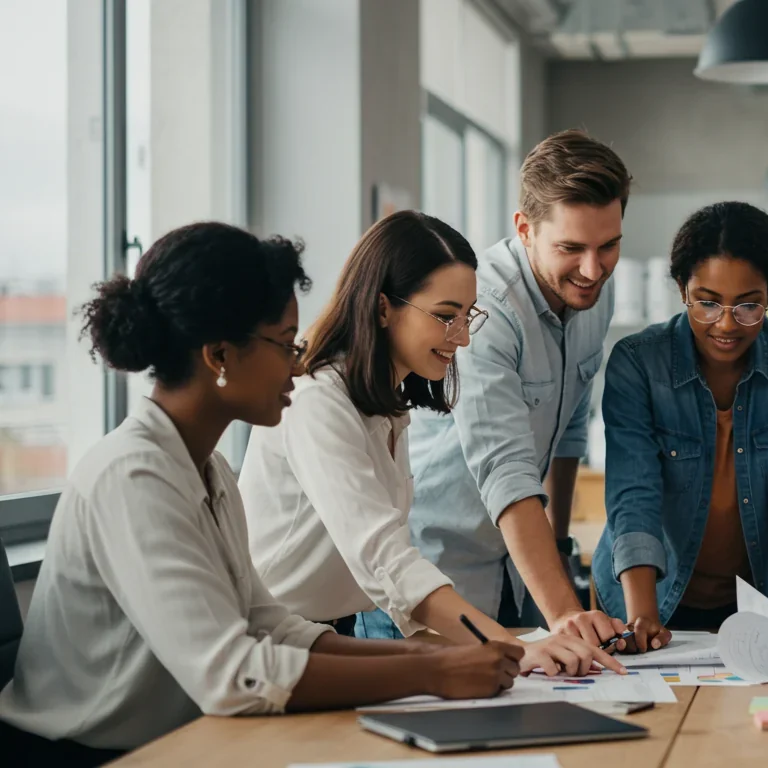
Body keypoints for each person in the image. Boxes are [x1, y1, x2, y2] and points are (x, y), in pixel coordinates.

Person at [0, 223, 523, 764]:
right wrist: (431, 671)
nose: (298, 364)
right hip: (86, 756)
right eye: (284, 344)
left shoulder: (209, 470)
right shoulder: (132, 476)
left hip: (177, 741)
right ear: (220, 356)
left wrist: (426, 658)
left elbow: (267, 623)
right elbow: (231, 675)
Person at [241, 211, 622, 676]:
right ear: (383, 308)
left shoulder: (389, 404)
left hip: (331, 632)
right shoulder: (318, 400)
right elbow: (383, 557)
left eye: (467, 316)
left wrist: (492, 649)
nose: (462, 337)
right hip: (271, 642)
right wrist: (513, 648)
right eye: (445, 316)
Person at [390, 130, 631, 646]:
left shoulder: (594, 294)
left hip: (520, 568)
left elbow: (570, 426)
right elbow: (506, 467)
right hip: (437, 570)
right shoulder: (486, 306)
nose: (593, 270)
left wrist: (558, 545)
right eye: (571, 248)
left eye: (608, 246)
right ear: (525, 229)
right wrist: (565, 614)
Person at [593, 202, 768, 648]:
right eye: (707, 303)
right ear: (682, 289)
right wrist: (643, 618)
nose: (726, 324)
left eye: (748, 306)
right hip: (650, 596)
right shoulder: (639, 362)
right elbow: (633, 493)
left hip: (758, 598)